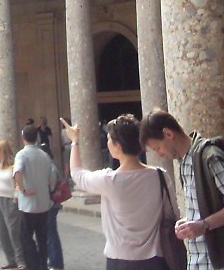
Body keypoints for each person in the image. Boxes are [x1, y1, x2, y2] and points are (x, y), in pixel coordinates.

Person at [140, 109, 224, 270]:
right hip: (205, 258)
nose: (159, 154)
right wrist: (191, 221)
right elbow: (208, 206)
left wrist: (203, 225)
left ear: (168, 134)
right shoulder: (185, 161)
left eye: (157, 147)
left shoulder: (209, 157)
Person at [62, 115, 174, 270]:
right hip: (156, 259)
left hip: (120, 260)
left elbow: (77, 174)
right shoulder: (161, 176)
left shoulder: (110, 180)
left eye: (109, 139)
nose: (107, 143)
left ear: (118, 146)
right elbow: (170, 214)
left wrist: (75, 141)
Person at [14, 124, 56, 270]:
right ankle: (42, 264)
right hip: (43, 203)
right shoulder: (44, 155)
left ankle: (33, 265)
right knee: (42, 238)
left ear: (23, 138)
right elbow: (52, 179)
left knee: (25, 237)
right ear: (37, 137)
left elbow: (17, 172)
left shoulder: (22, 154)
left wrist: (22, 189)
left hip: (28, 204)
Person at [0, 140, 26, 270]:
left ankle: (21, 260)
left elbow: (18, 182)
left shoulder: (13, 165)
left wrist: (16, 197)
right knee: (1, 231)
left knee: (13, 231)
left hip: (9, 200)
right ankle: (11, 260)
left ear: (4, 150)